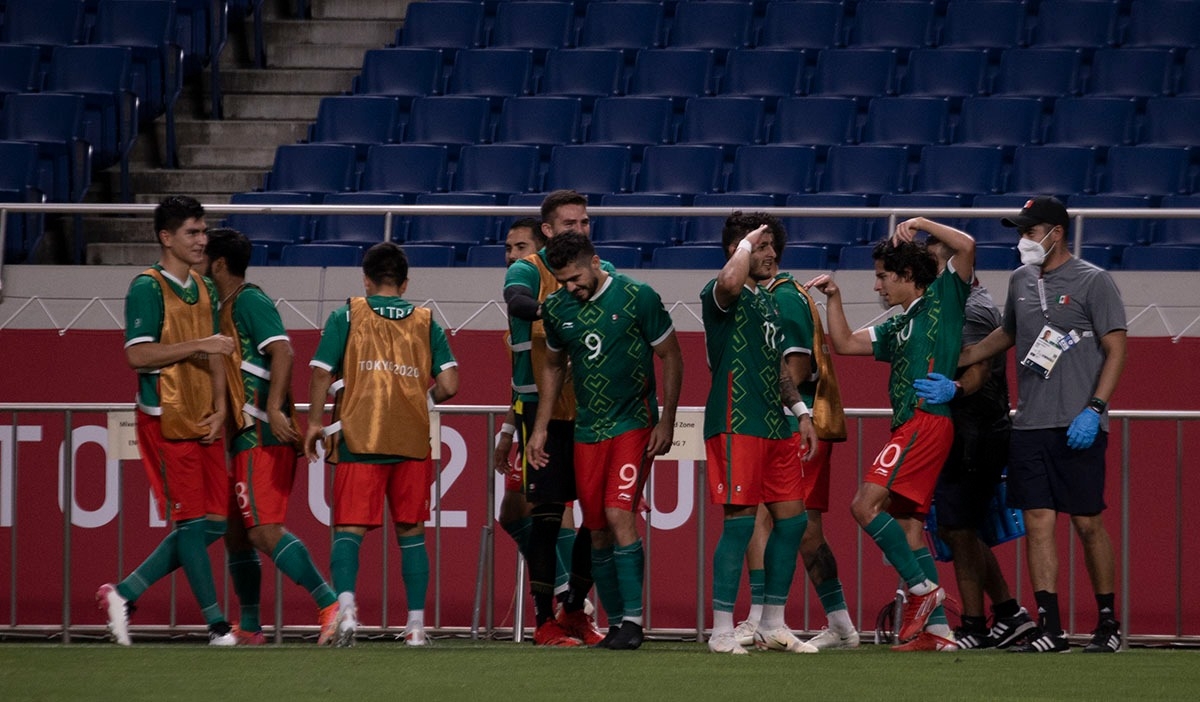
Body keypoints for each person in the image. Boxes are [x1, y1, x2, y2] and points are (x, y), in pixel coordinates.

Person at [958, 196, 1127, 654]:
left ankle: (1108, 623)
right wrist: (965, 356)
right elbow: (1009, 333)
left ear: (1056, 232)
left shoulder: (1095, 281)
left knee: (1088, 522)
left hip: (1078, 420)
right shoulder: (1019, 279)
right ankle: (1049, 626)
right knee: (1037, 521)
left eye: (1029, 232)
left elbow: (1116, 349)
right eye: (1021, 232)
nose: (1023, 240)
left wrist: (1095, 408)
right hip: (1030, 423)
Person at [808, 217, 975, 652]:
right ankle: (938, 633)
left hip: (927, 418)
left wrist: (918, 223)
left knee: (863, 505)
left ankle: (923, 591)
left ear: (907, 276)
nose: (878, 287)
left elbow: (967, 245)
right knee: (907, 526)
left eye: (883, 277)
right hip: (910, 424)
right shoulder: (898, 324)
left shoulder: (943, 298)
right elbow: (843, 344)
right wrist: (834, 298)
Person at [526, 231, 683, 651]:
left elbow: (671, 354)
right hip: (586, 429)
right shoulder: (558, 310)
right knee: (594, 529)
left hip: (633, 423)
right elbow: (555, 367)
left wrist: (667, 420)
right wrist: (540, 426)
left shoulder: (637, 296)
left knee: (618, 515)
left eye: (575, 278)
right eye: (562, 282)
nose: (570, 287)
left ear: (595, 262)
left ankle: (633, 621)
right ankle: (615, 624)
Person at [303, 242, 459, 647]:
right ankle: (416, 626)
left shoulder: (347, 315)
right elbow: (449, 384)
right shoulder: (427, 322)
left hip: (360, 436)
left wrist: (316, 422)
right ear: (405, 284)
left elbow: (321, 372)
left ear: (366, 280)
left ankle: (348, 613)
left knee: (349, 530)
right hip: (410, 440)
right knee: (412, 533)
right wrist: (418, 403)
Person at [97, 195, 238, 646]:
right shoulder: (147, 287)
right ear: (166, 237)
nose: (202, 240)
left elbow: (215, 349)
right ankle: (217, 625)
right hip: (165, 419)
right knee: (192, 525)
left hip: (202, 417)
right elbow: (137, 355)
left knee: (215, 521)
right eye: (192, 233)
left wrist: (219, 404)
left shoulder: (205, 287)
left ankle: (125, 592)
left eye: (203, 231)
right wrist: (201, 344)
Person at [201, 228, 340, 646]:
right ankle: (250, 627)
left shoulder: (249, 299)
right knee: (236, 531)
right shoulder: (222, 306)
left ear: (219, 264)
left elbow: (283, 349)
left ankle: (330, 603)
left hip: (262, 433)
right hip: (241, 436)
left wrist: (277, 408)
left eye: (204, 257)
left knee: (263, 529)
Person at [701, 215, 820, 656]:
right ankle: (720, 630)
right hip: (736, 421)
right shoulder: (719, 295)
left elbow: (777, 368)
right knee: (739, 526)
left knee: (793, 523)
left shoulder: (770, 303)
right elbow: (730, 282)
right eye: (762, 245)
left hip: (775, 424)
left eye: (773, 246)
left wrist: (801, 411)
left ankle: (772, 622)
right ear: (739, 248)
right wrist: (746, 244)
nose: (771, 254)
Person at [915, 233, 1036, 650]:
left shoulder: (969, 307)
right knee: (960, 528)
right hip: (969, 431)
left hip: (976, 433)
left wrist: (954, 389)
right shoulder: (958, 304)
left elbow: (978, 370)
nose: (926, 269)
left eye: (933, 261)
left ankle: (975, 625)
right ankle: (1007, 614)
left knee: (958, 528)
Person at [495, 215, 601, 646]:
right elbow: (525, 365)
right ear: (549, 230)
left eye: (519, 247)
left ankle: (572, 606)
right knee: (543, 512)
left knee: (592, 514)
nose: (512, 257)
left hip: (590, 409)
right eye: (509, 247)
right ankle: (552, 614)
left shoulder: (600, 272)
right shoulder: (528, 274)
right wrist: (509, 429)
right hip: (539, 412)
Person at [759, 215, 859, 651]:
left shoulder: (785, 299)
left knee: (764, 520)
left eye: (766, 246)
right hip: (798, 426)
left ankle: (761, 621)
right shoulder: (770, 297)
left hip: (798, 427)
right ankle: (841, 627)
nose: (761, 253)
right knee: (806, 531)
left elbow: (797, 369)